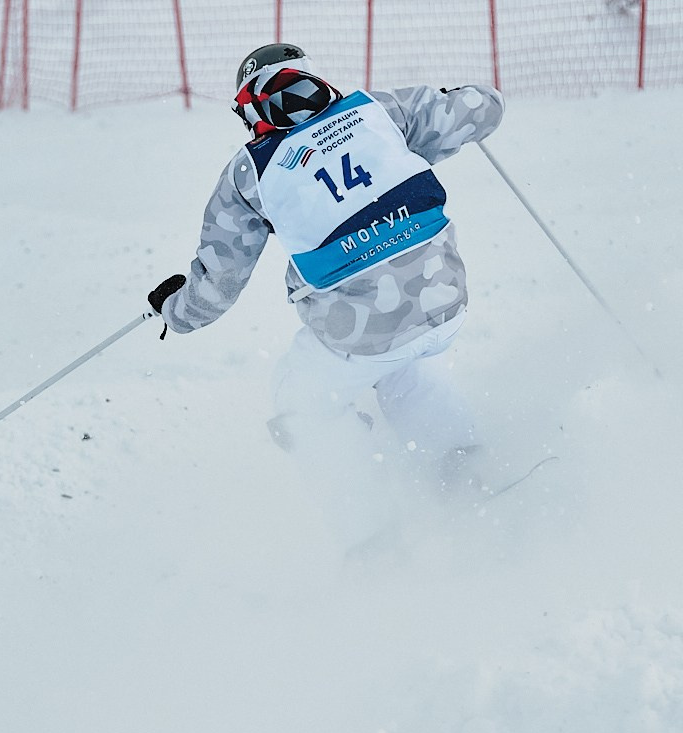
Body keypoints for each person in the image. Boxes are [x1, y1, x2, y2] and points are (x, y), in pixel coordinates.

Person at [147, 43, 506, 521]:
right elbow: (485, 107)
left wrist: (177, 310)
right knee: (400, 370)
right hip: (445, 302)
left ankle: (371, 530)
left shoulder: (248, 171)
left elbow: (217, 284)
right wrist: (451, 98)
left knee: (301, 401)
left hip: (361, 331)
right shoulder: (378, 111)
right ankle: (462, 471)